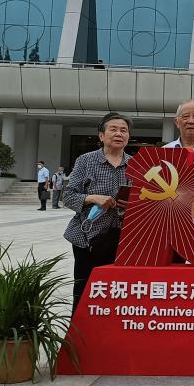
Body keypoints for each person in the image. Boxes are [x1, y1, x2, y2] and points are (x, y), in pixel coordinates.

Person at [63, 112, 132, 312]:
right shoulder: (85, 161)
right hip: (88, 239)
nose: (119, 134)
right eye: (113, 129)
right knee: (84, 291)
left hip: (122, 239)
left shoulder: (135, 164)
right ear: (101, 135)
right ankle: (78, 331)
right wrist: (93, 198)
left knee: (117, 291)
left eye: (124, 130)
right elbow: (68, 196)